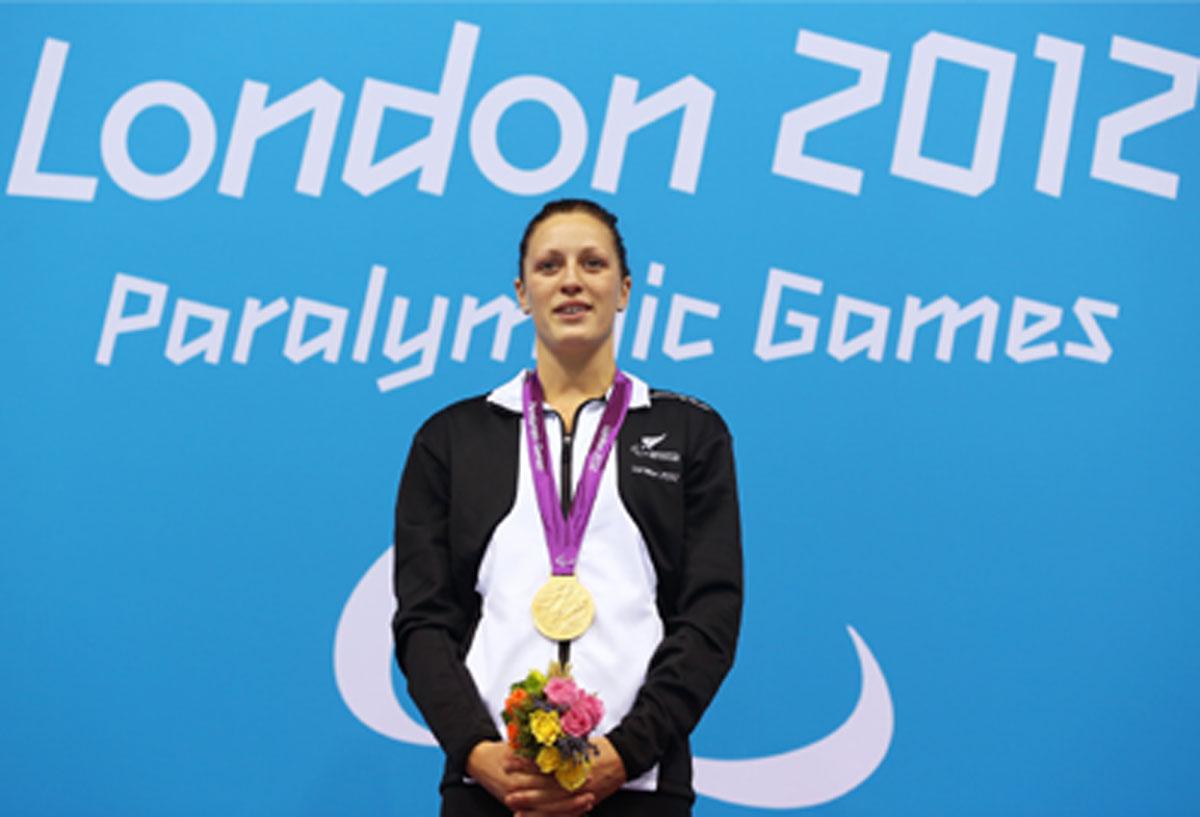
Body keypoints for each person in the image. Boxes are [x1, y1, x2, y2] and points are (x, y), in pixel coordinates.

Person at [392, 199, 742, 817]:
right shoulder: (451, 438)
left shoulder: (692, 433)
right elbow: (424, 620)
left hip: (637, 784)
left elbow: (709, 617)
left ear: (625, 289)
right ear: (523, 293)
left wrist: (625, 754)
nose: (572, 280)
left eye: (593, 263)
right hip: (493, 786)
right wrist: (474, 750)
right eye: (550, 266)